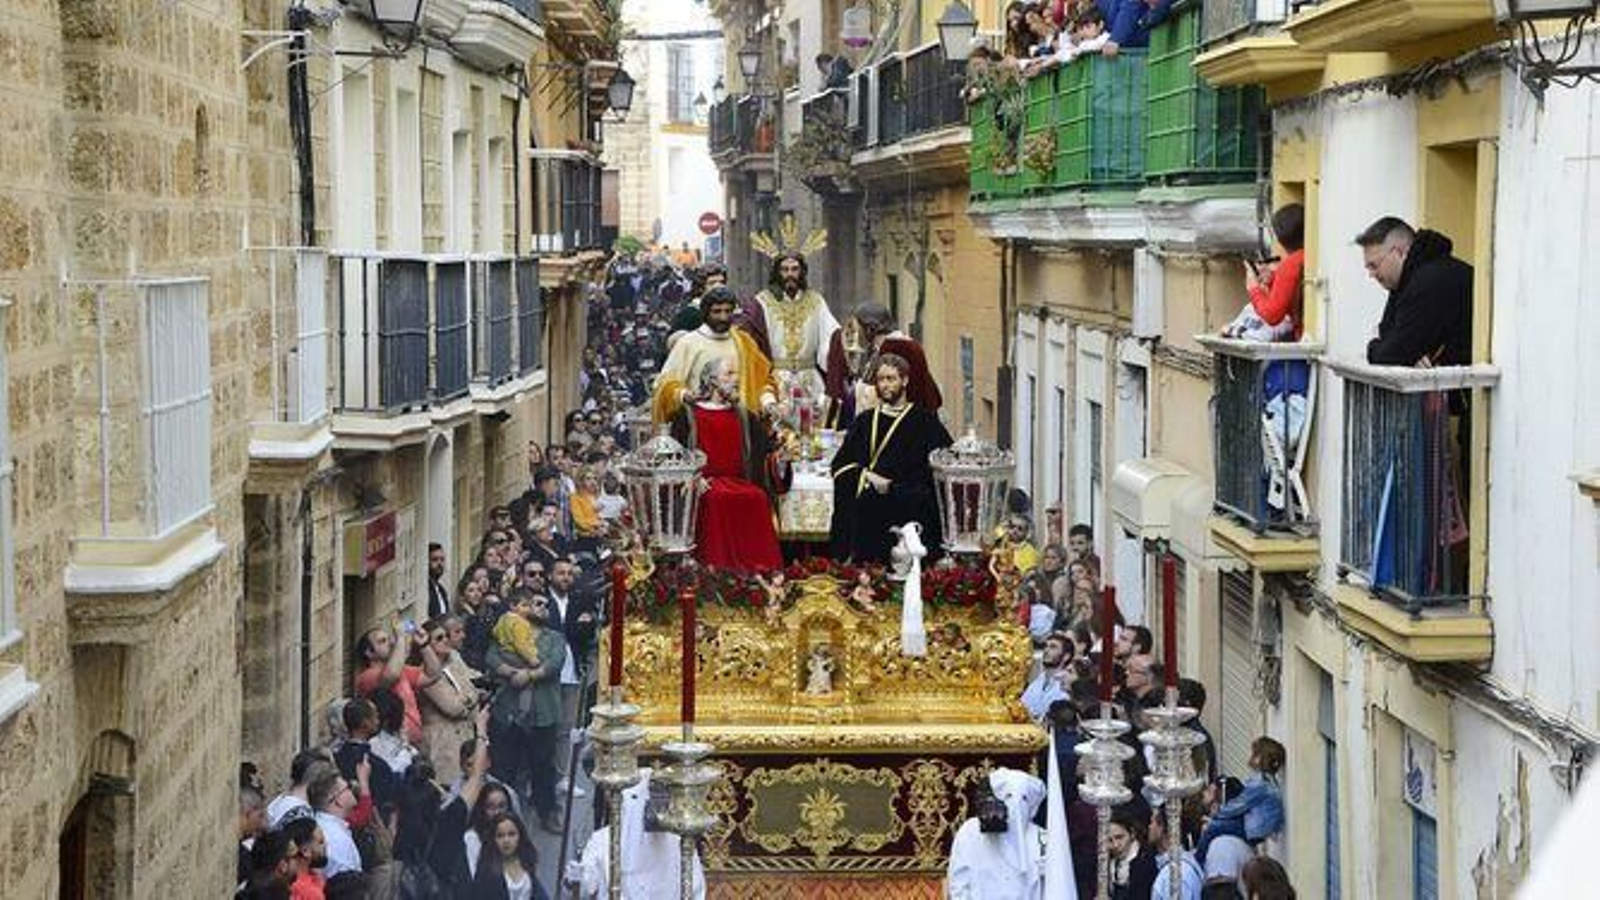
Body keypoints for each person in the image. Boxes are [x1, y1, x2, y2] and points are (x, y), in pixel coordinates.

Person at [828, 354, 954, 564]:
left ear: (904, 381)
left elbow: (942, 469)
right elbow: (840, 466)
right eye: (881, 379)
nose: (885, 385)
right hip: (867, 515)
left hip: (908, 511)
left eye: (891, 379)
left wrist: (894, 488)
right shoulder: (864, 421)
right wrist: (867, 476)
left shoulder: (925, 423)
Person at [669, 358, 787, 572]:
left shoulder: (743, 415)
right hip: (706, 484)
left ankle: (760, 571)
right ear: (712, 380)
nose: (736, 379)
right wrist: (693, 478)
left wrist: (781, 455)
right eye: (729, 374)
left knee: (757, 496)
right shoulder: (688, 415)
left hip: (740, 481)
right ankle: (717, 572)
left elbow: (765, 450)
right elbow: (675, 453)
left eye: (736, 374)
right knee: (717, 498)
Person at [484, 591, 567, 834]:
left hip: (543, 713)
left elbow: (554, 662)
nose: (541, 608)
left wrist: (528, 675)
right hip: (509, 711)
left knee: (543, 765)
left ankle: (547, 811)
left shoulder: (554, 637)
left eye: (545, 604)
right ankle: (501, 817)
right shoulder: (507, 633)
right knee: (505, 766)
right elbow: (491, 657)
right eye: (536, 603)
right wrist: (510, 672)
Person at [1356, 216, 1473, 366]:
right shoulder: (1410, 278)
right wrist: (1410, 353)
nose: (1371, 275)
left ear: (1398, 252)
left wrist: (1373, 345)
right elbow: (1391, 337)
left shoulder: (1429, 281)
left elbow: (1394, 353)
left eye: (1374, 265)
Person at [653, 286, 777, 421]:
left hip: (738, 423)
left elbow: (763, 380)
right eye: (716, 312)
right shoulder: (688, 343)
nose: (723, 317)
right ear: (706, 313)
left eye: (728, 311)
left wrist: (768, 402)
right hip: (699, 423)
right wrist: (685, 395)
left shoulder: (744, 342)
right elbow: (663, 385)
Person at [579, 769, 706, 899]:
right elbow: (586, 887)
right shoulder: (603, 840)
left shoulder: (679, 841)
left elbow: (695, 890)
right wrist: (576, 878)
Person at [743, 252, 840, 406]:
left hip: (809, 379)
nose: (790, 274)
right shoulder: (762, 302)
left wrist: (840, 347)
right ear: (777, 272)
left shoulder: (816, 301)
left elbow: (831, 336)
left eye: (794, 269)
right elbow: (753, 340)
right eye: (785, 269)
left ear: (802, 272)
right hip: (777, 378)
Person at [946, 768, 1049, 900]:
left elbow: (1052, 886)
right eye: (1008, 797)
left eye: (1023, 799)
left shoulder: (1041, 837)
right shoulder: (971, 832)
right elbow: (959, 881)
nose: (1016, 806)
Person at [353, 623, 442, 750]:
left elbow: (433, 674)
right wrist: (401, 638)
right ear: (369, 653)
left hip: (412, 744)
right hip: (390, 747)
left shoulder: (401, 670)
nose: (390, 643)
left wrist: (424, 645)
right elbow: (391, 676)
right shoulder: (367, 677)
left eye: (389, 639)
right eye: (382, 641)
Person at [1225, 203, 1306, 342]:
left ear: (1279, 239)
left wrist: (1254, 289)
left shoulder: (1291, 264)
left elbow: (1273, 315)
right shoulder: (1304, 257)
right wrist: (1274, 279)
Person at [1199, 736, 1285, 858]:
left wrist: (1218, 813)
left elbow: (1239, 805)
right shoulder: (1266, 779)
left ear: (1261, 758)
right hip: (1255, 824)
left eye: (1255, 754)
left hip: (1254, 829)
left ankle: (1198, 861)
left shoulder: (1261, 784)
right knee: (1219, 823)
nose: (1252, 757)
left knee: (1212, 829)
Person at [420, 616, 483, 784]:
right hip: (443, 743)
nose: (446, 641)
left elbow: (475, 679)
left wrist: (466, 696)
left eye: (446, 636)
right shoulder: (425, 673)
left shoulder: (453, 658)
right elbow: (452, 707)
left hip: (465, 734)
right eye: (439, 638)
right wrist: (472, 695)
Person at [466, 812, 549, 900]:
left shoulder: (527, 861)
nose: (506, 840)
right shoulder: (486, 870)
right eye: (500, 836)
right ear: (493, 839)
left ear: (520, 836)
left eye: (511, 834)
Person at [1021, 632, 1074, 721]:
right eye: (1045, 646)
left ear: (1066, 656)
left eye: (1053, 647)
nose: (1046, 650)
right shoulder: (1037, 681)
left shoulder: (1066, 684)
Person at [1107, 810, 1157, 900]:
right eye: (1110, 840)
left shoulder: (1145, 862)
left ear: (1132, 834)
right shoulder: (1109, 863)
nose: (1115, 845)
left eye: (1119, 837)